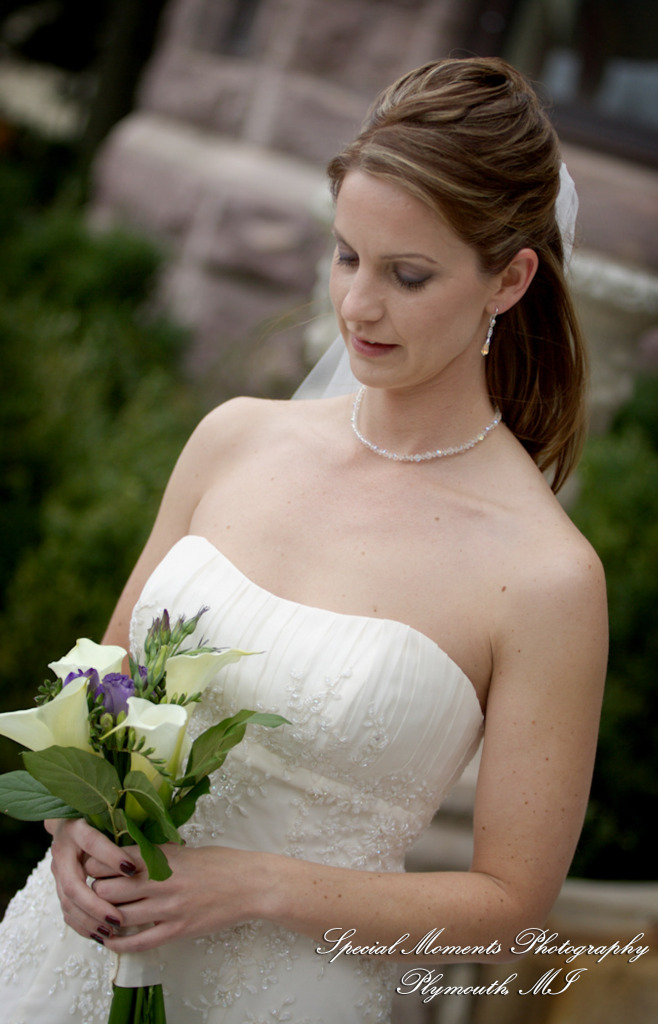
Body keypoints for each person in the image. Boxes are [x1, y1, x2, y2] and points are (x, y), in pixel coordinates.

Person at [0, 57, 607, 1023]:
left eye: (408, 275)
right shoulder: (234, 437)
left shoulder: (544, 577)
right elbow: (106, 680)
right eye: (345, 255)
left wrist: (256, 886)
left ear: (509, 278)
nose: (357, 305)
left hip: (284, 992)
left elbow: (509, 905)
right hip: (66, 959)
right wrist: (72, 818)